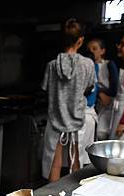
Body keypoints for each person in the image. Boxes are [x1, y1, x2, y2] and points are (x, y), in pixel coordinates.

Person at [41, 18, 96, 182]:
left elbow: (46, 88)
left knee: (55, 163)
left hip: (56, 118)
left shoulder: (52, 65)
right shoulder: (88, 64)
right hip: (78, 118)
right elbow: (90, 86)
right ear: (80, 40)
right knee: (76, 161)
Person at [87, 38, 119, 140]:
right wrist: (99, 93)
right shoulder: (87, 66)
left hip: (108, 104)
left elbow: (114, 88)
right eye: (89, 49)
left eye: (94, 48)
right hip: (95, 103)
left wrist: (102, 92)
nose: (92, 52)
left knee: (103, 132)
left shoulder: (108, 65)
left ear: (102, 51)